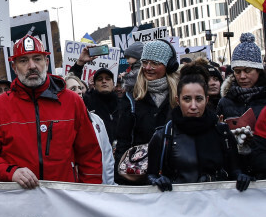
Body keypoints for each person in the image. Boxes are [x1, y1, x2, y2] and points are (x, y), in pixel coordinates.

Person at [0, 35, 102, 188]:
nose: (32, 65)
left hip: (64, 201)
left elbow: (90, 155)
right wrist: (10, 172)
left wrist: (88, 195)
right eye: (23, 60)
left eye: (37, 58)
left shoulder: (72, 101)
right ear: (14, 67)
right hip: (17, 200)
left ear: (46, 62)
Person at [146, 65, 253, 192]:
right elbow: (150, 175)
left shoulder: (222, 132)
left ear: (206, 100)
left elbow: (234, 169)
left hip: (217, 204)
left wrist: (241, 176)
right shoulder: (163, 135)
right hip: (179, 207)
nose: (193, 106)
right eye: (187, 99)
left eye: (198, 99)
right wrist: (156, 180)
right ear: (178, 100)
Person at [115, 39, 180, 181]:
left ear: (169, 66)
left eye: (155, 63)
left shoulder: (182, 95)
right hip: (140, 177)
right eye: (145, 62)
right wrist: (122, 179)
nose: (148, 67)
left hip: (175, 174)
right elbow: (123, 140)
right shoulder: (131, 96)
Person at [65, 75, 115, 185]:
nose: (78, 91)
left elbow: (107, 156)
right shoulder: (62, 122)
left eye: (80, 88)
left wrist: (109, 186)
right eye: (73, 89)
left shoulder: (96, 120)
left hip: (100, 188)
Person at [68, 56, 124, 146]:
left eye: (108, 79)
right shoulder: (87, 101)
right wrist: (80, 63)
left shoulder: (124, 103)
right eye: (100, 79)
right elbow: (71, 82)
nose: (104, 81)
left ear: (113, 84)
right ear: (94, 84)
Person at [218, 33, 266, 120]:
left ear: (258, 70)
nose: (242, 76)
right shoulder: (224, 102)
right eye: (237, 71)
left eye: (247, 70)